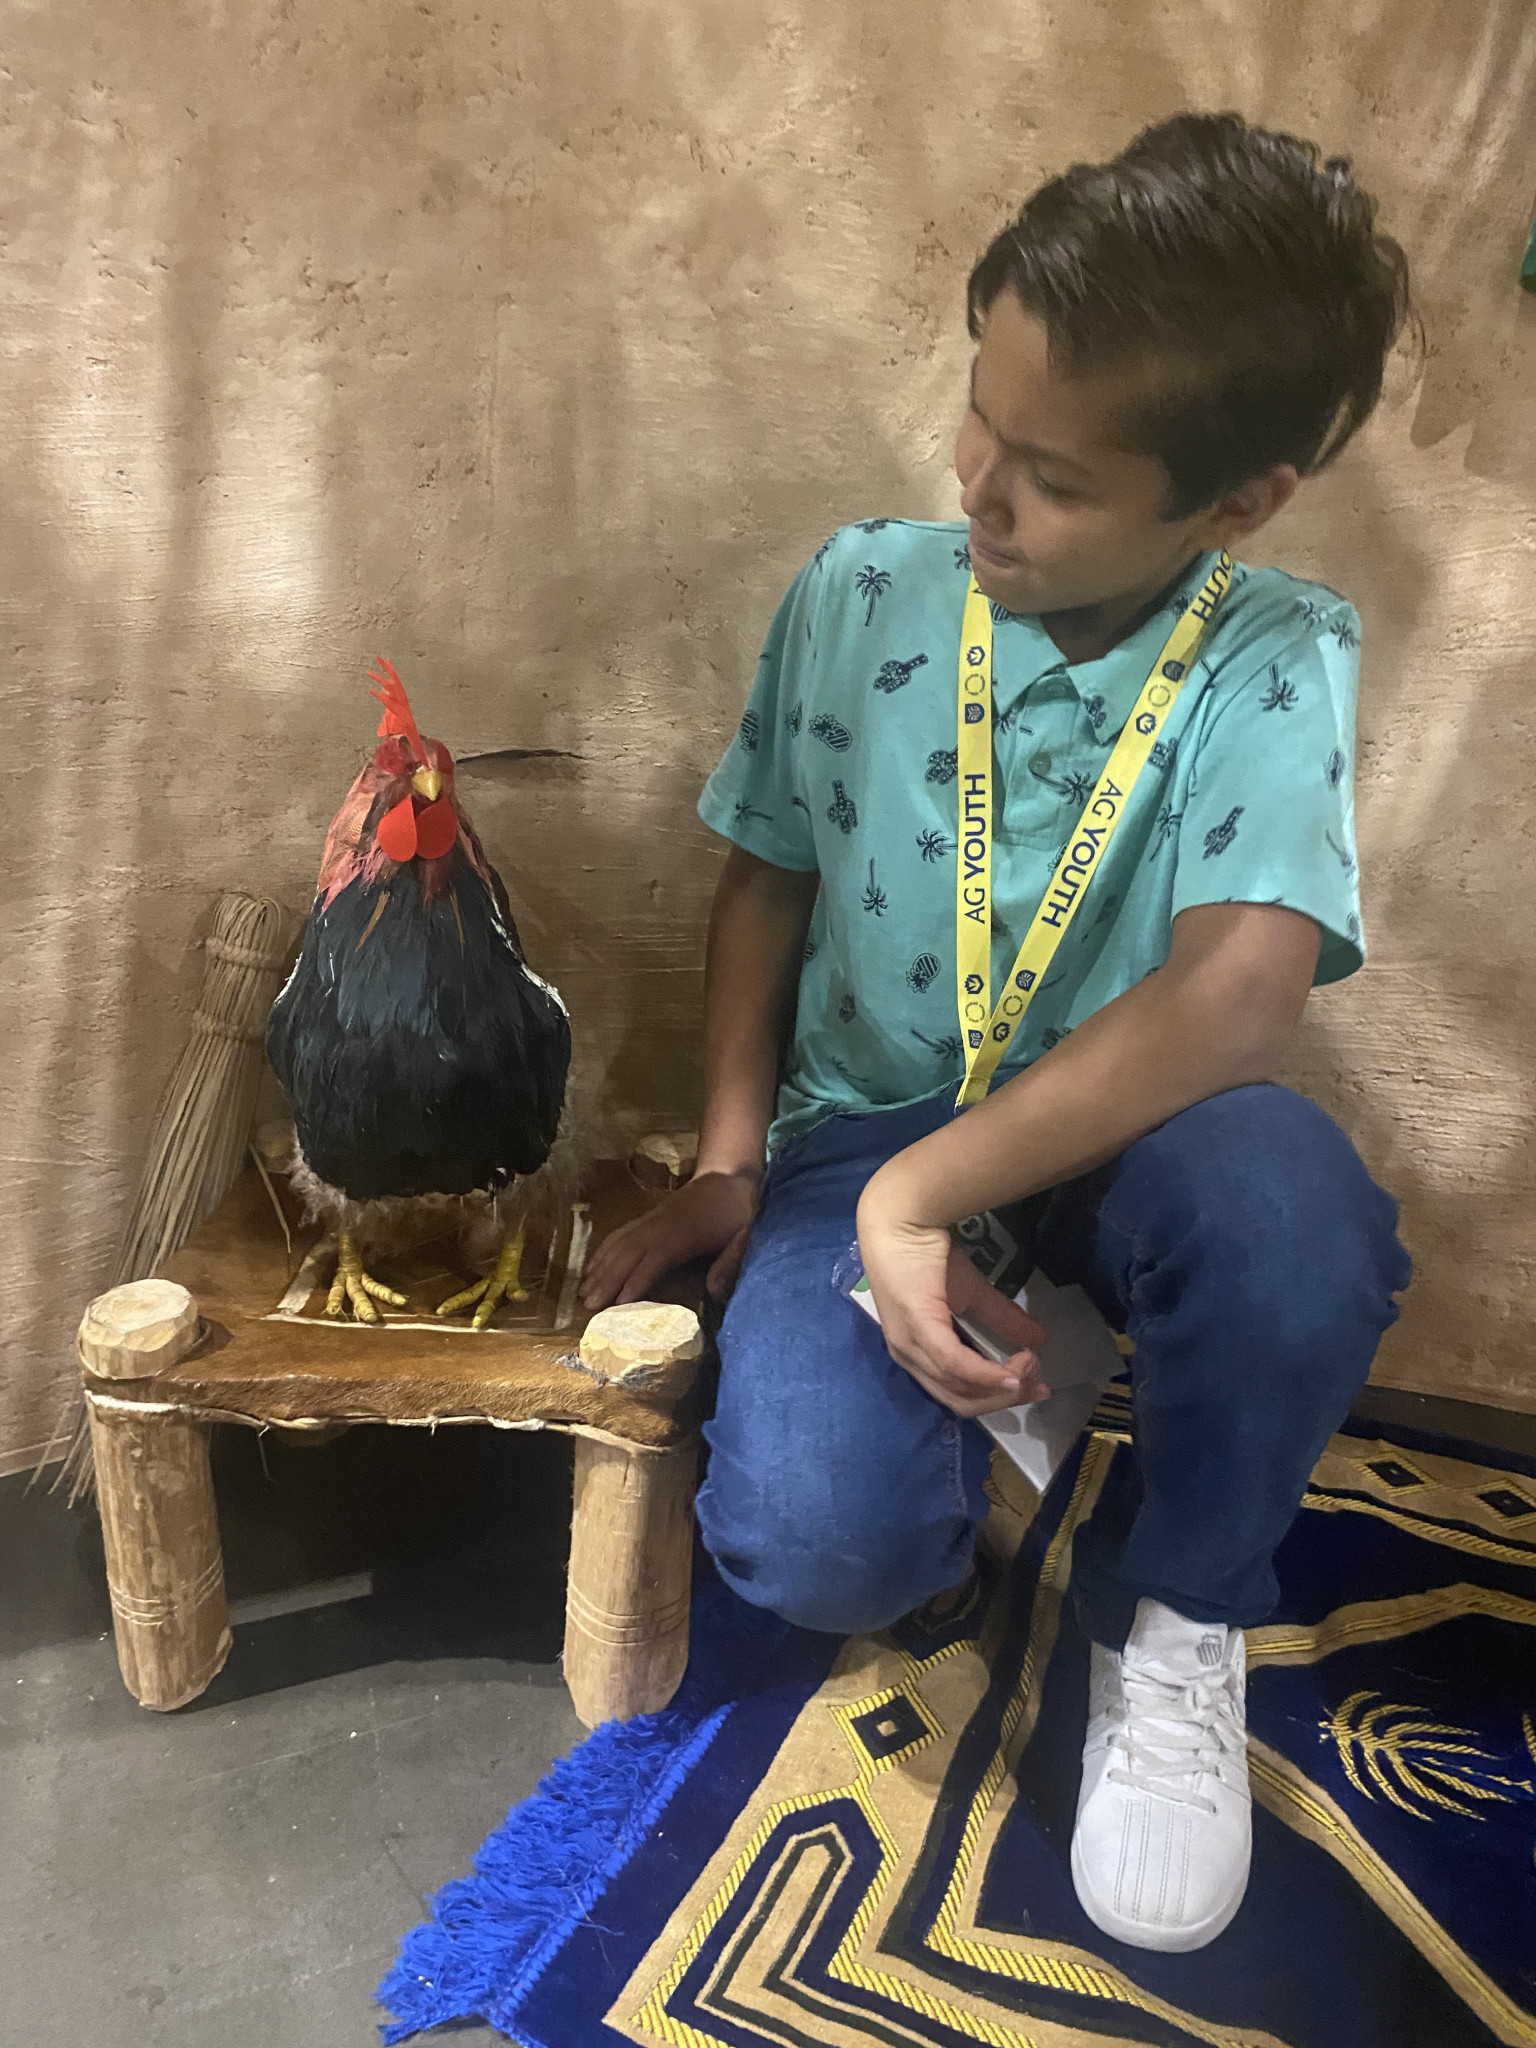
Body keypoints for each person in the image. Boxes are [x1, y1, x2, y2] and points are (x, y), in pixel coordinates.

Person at [582, 112, 1414, 1955]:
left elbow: (1243, 986)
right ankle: (991, 1397)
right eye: (979, 415)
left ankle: (1182, 1607)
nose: (979, 488)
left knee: (1295, 1218)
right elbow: (766, 876)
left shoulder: (1279, 649)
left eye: (1052, 476)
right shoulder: (860, 591)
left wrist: (925, 1203)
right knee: (821, 1548)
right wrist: (738, 1165)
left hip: (1130, 1138)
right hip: (862, 1131)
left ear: (1238, 504)